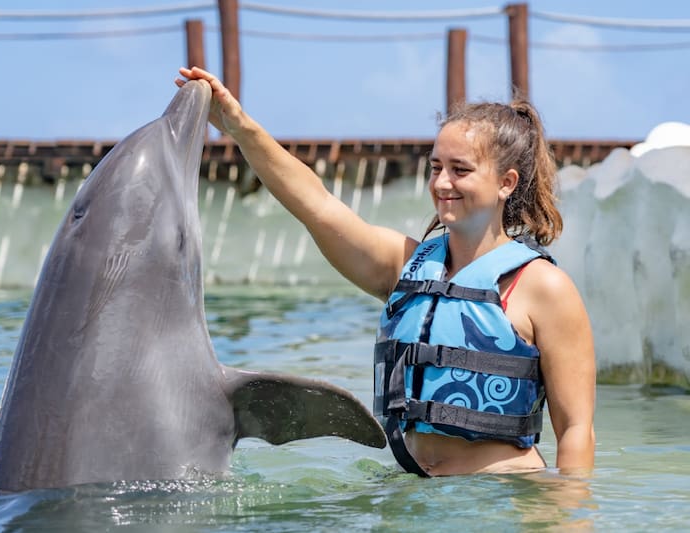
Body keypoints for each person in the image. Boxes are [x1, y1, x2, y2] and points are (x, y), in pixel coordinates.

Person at [176, 66, 596, 476]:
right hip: (410, 493)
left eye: (460, 169)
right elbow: (318, 207)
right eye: (436, 167)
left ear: (506, 182)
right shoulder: (405, 267)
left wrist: (567, 521)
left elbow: (576, 429)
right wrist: (239, 126)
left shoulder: (544, 287)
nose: (442, 183)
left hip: (500, 500)